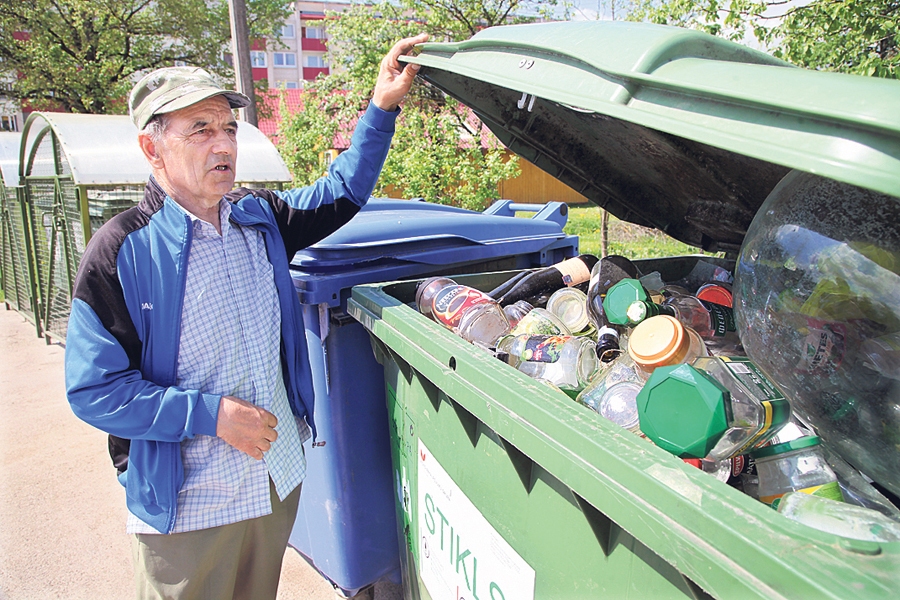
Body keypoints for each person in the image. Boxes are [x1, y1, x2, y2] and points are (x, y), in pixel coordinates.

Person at [64, 33, 428, 600]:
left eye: (229, 127)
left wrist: (382, 107)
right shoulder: (120, 251)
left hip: (274, 481)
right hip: (189, 506)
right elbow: (94, 391)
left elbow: (343, 192)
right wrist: (210, 415)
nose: (223, 144)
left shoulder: (258, 218)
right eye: (201, 130)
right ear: (151, 147)